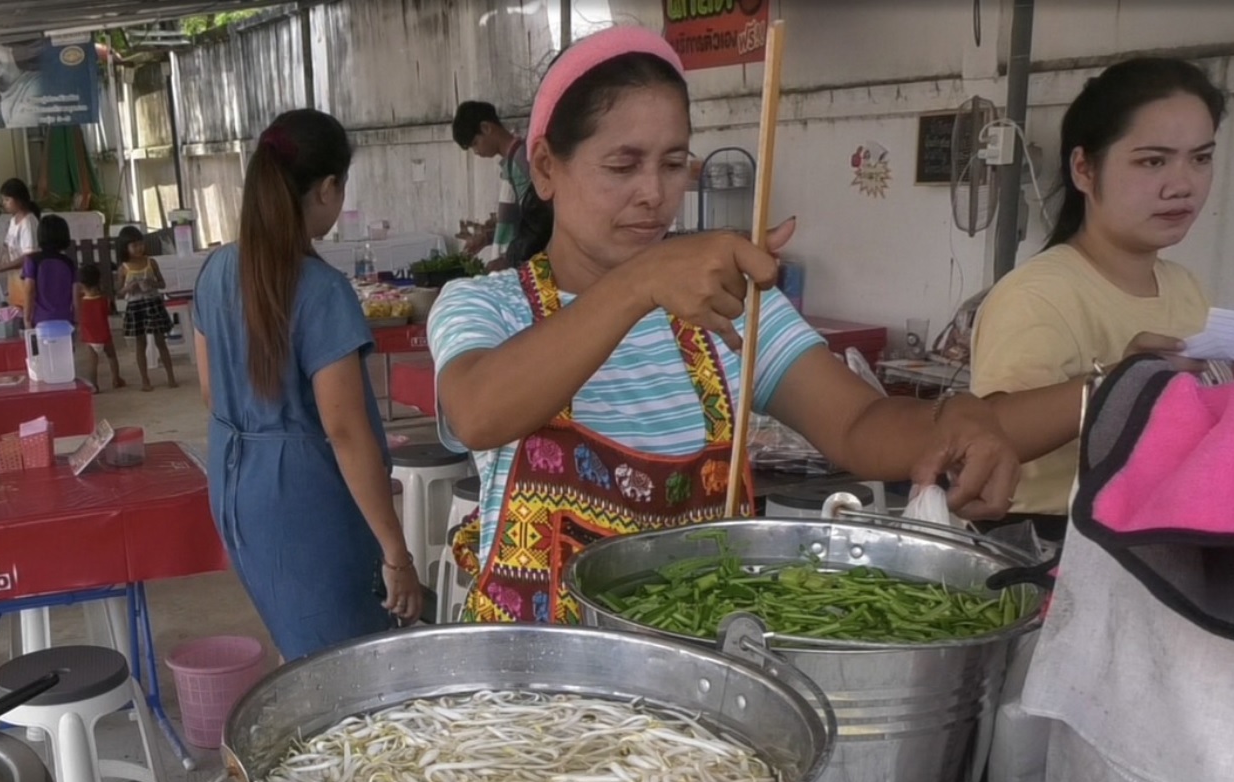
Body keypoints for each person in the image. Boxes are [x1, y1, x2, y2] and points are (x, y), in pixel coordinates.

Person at [429, 27, 1022, 625]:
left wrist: (959, 419)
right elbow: (480, 413)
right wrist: (641, 283)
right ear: (546, 168)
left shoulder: (727, 310)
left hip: (701, 687)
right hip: (532, 701)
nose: (654, 194)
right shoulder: (489, 305)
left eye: (673, 164)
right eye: (623, 165)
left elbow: (859, 425)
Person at [193, 108, 421, 661]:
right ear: (327, 188)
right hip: (303, 499)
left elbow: (210, 393)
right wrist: (397, 552)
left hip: (235, 486)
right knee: (344, 664)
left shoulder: (218, 270)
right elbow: (346, 432)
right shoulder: (321, 291)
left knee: (300, 644)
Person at [970, 57, 1227, 536]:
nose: (1182, 184)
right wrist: (1116, 380)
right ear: (1084, 169)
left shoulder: (1186, 288)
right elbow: (988, 434)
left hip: (1160, 538)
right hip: (1052, 545)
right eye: (1152, 161)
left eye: (1201, 158)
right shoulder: (1038, 296)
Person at [451, 101, 531, 264]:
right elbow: (515, 220)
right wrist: (487, 237)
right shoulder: (510, 163)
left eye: (475, 143)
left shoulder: (521, 161)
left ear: (486, 128)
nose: (476, 152)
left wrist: (507, 260)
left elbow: (535, 223)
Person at [117, 225, 178, 391]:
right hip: (135, 306)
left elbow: (162, 283)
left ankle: (171, 377)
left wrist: (152, 283)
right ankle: (145, 380)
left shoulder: (151, 262)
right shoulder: (124, 268)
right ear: (125, 248)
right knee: (140, 343)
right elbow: (119, 293)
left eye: (140, 244)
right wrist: (128, 288)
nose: (138, 248)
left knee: (161, 341)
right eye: (134, 245)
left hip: (153, 303)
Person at [17, 214, 78, 329]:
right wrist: (77, 319)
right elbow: (76, 294)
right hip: (65, 319)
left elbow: (29, 290)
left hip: (40, 320)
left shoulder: (32, 260)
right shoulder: (69, 263)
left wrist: (27, 318)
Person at [76, 263, 124, 391]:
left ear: (82, 284)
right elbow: (108, 311)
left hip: (89, 336)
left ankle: (94, 385)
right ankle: (116, 379)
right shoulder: (104, 299)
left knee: (92, 362)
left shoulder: (81, 302)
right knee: (112, 356)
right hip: (104, 334)